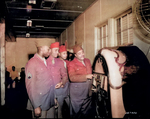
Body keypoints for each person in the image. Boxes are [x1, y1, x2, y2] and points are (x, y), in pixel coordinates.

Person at [25, 39, 55, 118]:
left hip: (49, 101)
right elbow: (30, 86)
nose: (50, 51)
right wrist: (36, 105)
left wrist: (53, 98)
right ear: (41, 48)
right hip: (40, 102)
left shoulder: (46, 61)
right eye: (48, 49)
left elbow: (49, 82)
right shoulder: (32, 63)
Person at [67, 45, 94, 118]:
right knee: (76, 114)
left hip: (87, 92)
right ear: (75, 55)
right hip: (77, 94)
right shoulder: (71, 64)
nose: (82, 54)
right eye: (79, 53)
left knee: (86, 113)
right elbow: (72, 78)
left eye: (82, 52)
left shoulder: (87, 60)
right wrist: (85, 77)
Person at [47, 42, 69, 118]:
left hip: (59, 92)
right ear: (50, 51)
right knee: (51, 114)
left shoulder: (60, 62)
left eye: (58, 50)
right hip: (49, 93)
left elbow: (65, 76)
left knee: (59, 114)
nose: (57, 52)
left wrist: (61, 82)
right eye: (55, 50)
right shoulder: (45, 62)